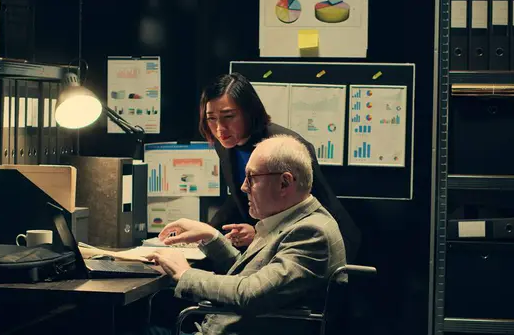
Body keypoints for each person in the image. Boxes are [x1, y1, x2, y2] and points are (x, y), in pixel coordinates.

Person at [146, 135, 346, 335]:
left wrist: (185, 274)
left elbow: (251, 292)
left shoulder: (311, 233)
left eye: (251, 178)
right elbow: (254, 273)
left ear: (284, 182)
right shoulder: (294, 220)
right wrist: (211, 237)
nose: (243, 187)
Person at [200, 72, 360, 262]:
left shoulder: (287, 149)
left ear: (249, 112)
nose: (219, 128)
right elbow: (240, 195)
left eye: (229, 116)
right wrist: (206, 230)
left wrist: (261, 234)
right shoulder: (225, 144)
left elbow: (311, 214)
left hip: (323, 246)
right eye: (211, 118)